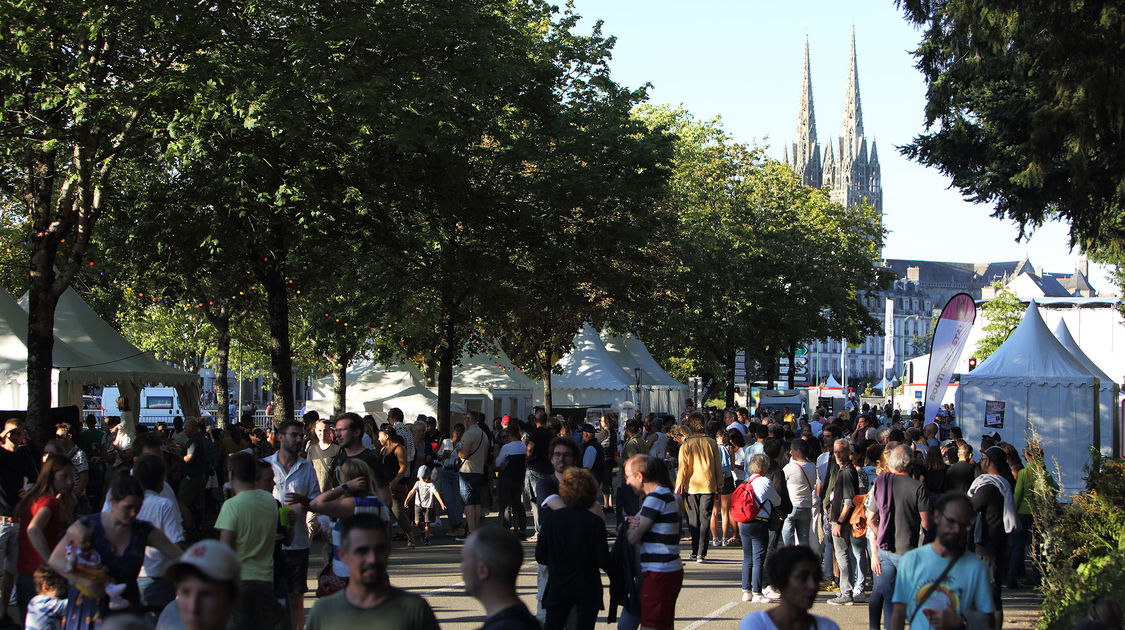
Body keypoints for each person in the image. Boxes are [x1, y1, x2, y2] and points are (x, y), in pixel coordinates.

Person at [49, 474, 182, 628]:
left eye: (138, 507)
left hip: (126, 608)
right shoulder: (87, 526)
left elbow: (180, 556)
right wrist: (85, 581)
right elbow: (55, 560)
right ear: (112, 500)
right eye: (128, 507)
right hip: (88, 606)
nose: (133, 513)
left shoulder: (143, 531)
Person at [305, 513, 440, 630]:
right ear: (342, 554)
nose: (372, 559)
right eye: (362, 551)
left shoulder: (415, 610)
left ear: (388, 551)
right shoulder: (323, 612)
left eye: (379, 549)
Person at [889, 492, 995, 630]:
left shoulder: (977, 568)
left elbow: (989, 622)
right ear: (937, 516)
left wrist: (961, 622)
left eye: (964, 525)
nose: (957, 530)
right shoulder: (912, 560)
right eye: (951, 522)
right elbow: (898, 613)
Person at [214, 451, 284, 630]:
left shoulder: (231, 506)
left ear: (231, 475)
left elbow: (225, 550)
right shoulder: (270, 501)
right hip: (266, 579)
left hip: (239, 581)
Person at [866, 445, 933, 630]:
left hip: (885, 547)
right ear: (910, 463)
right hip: (908, 550)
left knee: (889, 599)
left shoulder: (880, 483)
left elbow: (870, 517)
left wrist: (880, 534)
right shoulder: (918, 487)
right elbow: (926, 524)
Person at [535, 468, 611, 630]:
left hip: (558, 585)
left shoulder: (551, 521)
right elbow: (604, 559)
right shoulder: (595, 522)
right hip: (587, 586)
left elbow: (540, 555)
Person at [265, 420, 320, 630]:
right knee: (271, 597)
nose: (299, 439)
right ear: (280, 437)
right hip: (269, 543)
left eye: (301, 436)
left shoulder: (306, 468)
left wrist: (304, 502)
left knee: (296, 597)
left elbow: (316, 503)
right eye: (294, 435)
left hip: (297, 543)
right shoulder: (265, 466)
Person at [623, 454, 682, 630]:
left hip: (659, 573)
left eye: (628, 477)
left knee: (652, 625)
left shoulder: (655, 498)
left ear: (640, 476)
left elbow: (633, 537)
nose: (627, 483)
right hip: (665, 570)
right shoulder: (665, 496)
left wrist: (631, 526)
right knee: (663, 624)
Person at [15, 455, 75, 615]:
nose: (69, 482)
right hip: (43, 579)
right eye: (64, 477)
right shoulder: (48, 502)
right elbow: (33, 529)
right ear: (51, 476)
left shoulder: (34, 498)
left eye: (71, 477)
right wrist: (51, 563)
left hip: (26, 575)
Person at [126, 454, 184, 616]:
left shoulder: (123, 503)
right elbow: (176, 542)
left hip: (128, 576)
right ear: (161, 481)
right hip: (158, 577)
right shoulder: (164, 504)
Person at [968, 446, 1017, 627]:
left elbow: (970, 508)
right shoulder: (1003, 483)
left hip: (987, 545)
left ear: (988, 461)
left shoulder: (988, 486)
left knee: (990, 594)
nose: (981, 462)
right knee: (992, 593)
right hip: (998, 542)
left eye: (983, 458)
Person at [738, 545, 841, 630]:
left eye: (816, 578)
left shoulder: (828, 627)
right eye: (802, 578)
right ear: (781, 580)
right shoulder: (756, 624)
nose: (812, 586)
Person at [463, 525, 541, 629]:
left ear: (483, 570)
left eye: (465, 560)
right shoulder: (522, 619)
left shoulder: (506, 626)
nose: (462, 566)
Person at [156, 539, 242, 630]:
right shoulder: (170, 614)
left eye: (207, 594)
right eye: (185, 592)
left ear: (233, 600)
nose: (193, 608)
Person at [676, 413, 722, 563]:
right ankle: (702, 552)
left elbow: (682, 468)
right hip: (708, 483)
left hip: (691, 485)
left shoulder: (686, 445)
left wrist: (678, 485)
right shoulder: (711, 442)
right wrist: (719, 484)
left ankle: (695, 550)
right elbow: (717, 466)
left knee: (693, 518)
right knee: (705, 517)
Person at [739, 454, 782, 604]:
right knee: (758, 558)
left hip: (744, 523)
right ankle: (757, 592)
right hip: (760, 522)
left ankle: (746, 591)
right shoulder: (765, 481)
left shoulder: (746, 481)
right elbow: (777, 500)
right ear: (764, 466)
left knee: (747, 558)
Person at [827, 438, 864, 606]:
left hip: (841, 521)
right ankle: (845, 591)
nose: (838, 455)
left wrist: (840, 522)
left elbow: (849, 501)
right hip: (837, 518)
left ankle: (846, 592)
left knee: (842, 556)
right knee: (842, 555)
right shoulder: (844, 470)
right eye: (835, 452)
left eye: (840, 451)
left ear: (849, 452)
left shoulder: (848, 471)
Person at [330, 413, 389, 504]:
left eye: (343, 430)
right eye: (336, 430)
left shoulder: (370, 460)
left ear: (356, 432)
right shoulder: (338, 459)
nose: (338, 434)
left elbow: (385, 498)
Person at [378, 425, 415, 548]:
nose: (378, 439)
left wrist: (394, 482)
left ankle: (410, 535)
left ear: (386, 436)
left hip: (396, 485)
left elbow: (403, 467)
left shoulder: (399, 449)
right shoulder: (383, 449)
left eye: (380, 436)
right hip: (383, 485)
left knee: (398, 512)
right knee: (382, 513)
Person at [459, 412, 491, 538]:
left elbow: (463, 454)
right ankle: (475, 529)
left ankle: (471, 531)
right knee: (477, 502)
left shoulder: (469, 434)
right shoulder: (484, 434)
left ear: (468, 419)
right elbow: (484, 456)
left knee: (468, 503)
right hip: (479, 471)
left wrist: (457, 450)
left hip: (467, 471)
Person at [177, 420, 209, 541]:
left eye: (185, 429)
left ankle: (190, 529)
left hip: (192, 476)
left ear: (191, 428)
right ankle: (197, 528)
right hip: (201, 475)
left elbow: (189, 458)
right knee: (197, 504)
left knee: (183, 503)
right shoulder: (202, 439)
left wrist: (178, 455)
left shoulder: (193, 441)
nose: (184, 431)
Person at [523, 413, 554, 539]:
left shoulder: (535, 433)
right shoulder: (551, 435)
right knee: (547, 500)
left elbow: (530, 448)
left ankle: (539, 531)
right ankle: (548, 529)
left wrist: (527, 458)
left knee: (535, 502)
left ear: (535, 421)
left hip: (535, 468)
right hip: (548, 469)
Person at [782, 438, 816, 548]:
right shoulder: (812, 466)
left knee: (787, 537)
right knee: (804, 538)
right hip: (806, 506)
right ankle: (802, 560)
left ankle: (790, 558)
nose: (790, 452)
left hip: (792, 506)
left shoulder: (789, 467)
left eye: (792, 450)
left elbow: (781, 483)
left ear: (798, 451)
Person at [494, 429, 527, 537]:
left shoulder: (506, 447)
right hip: (518, 478)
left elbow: (498, 463)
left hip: (506, 478)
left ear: (510, 435)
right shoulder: (523, 447)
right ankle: (522, 527)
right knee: (517, 503)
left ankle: (506, 528)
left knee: (505, 504)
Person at [404, 467, 446, 545]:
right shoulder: (418, 483)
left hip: (428, 505)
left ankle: (427, 538)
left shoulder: (430, 485)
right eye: (421, 477)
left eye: (424, 477)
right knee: (417, 522)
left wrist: (441, 502)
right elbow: (412, 491)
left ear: (428, 476)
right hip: (418, 504)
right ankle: (423, 530)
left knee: (427, 522)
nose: (423, 479)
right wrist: (407, 500)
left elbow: (436, 493)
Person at [25, 566, 67, 630]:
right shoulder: (46, 603)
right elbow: (70, 605)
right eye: (60, 588)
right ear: (45, 587)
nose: (63, 592)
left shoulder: (34, 601)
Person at [306, 418, 340, 498]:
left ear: (329, 431)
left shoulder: (337, 449)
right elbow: (308, 472)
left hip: (332, 495)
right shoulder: (312, 449)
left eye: (325, 430)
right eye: (320, 430)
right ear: (315, 431)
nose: (323, 433)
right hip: (315, 495)